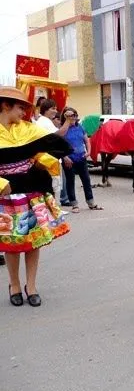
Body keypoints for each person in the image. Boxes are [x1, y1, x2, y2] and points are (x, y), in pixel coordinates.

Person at [0, 87, 72, 306]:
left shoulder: (28, 129)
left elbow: (52, 148)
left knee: (33, 241)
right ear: (5, 106)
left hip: (31, 192)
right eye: (21, 107)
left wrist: (46, 160)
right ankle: (14, 283)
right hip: (6, 196)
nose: (24, 112)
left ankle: (30, 285)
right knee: (11, 241)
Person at [61, 108, 103, 213]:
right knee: (70, 181)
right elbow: (58, 144)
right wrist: (65, 157)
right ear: (65, 117)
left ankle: (91, 202)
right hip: (69, 159)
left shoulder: (80, 127)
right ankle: (74, 204)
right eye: (70, 116)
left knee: (86, 180)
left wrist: (88, 151)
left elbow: (87, 141)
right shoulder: (63, 129)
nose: (73, 117)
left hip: (81, 158)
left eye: (74, 115)